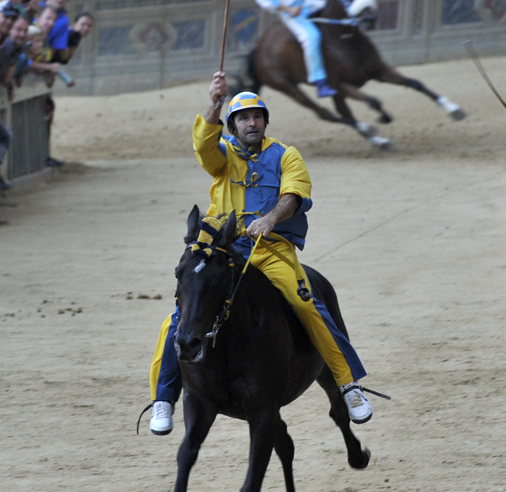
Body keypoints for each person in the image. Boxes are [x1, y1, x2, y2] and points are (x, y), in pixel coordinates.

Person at [145, 74, 373, 436]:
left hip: (271, 250)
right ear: (233, 126)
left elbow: (295, 195)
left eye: (257, 117)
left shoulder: (286, 155)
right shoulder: (223, 154)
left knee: (307, 304)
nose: (252, 123)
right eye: (244, 118)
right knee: (178, 316)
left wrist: (271, 218)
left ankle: (348, 386)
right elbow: (202, 145)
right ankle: (163, 398)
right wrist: (215, 102)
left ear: (265, 122)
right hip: (221, 247)